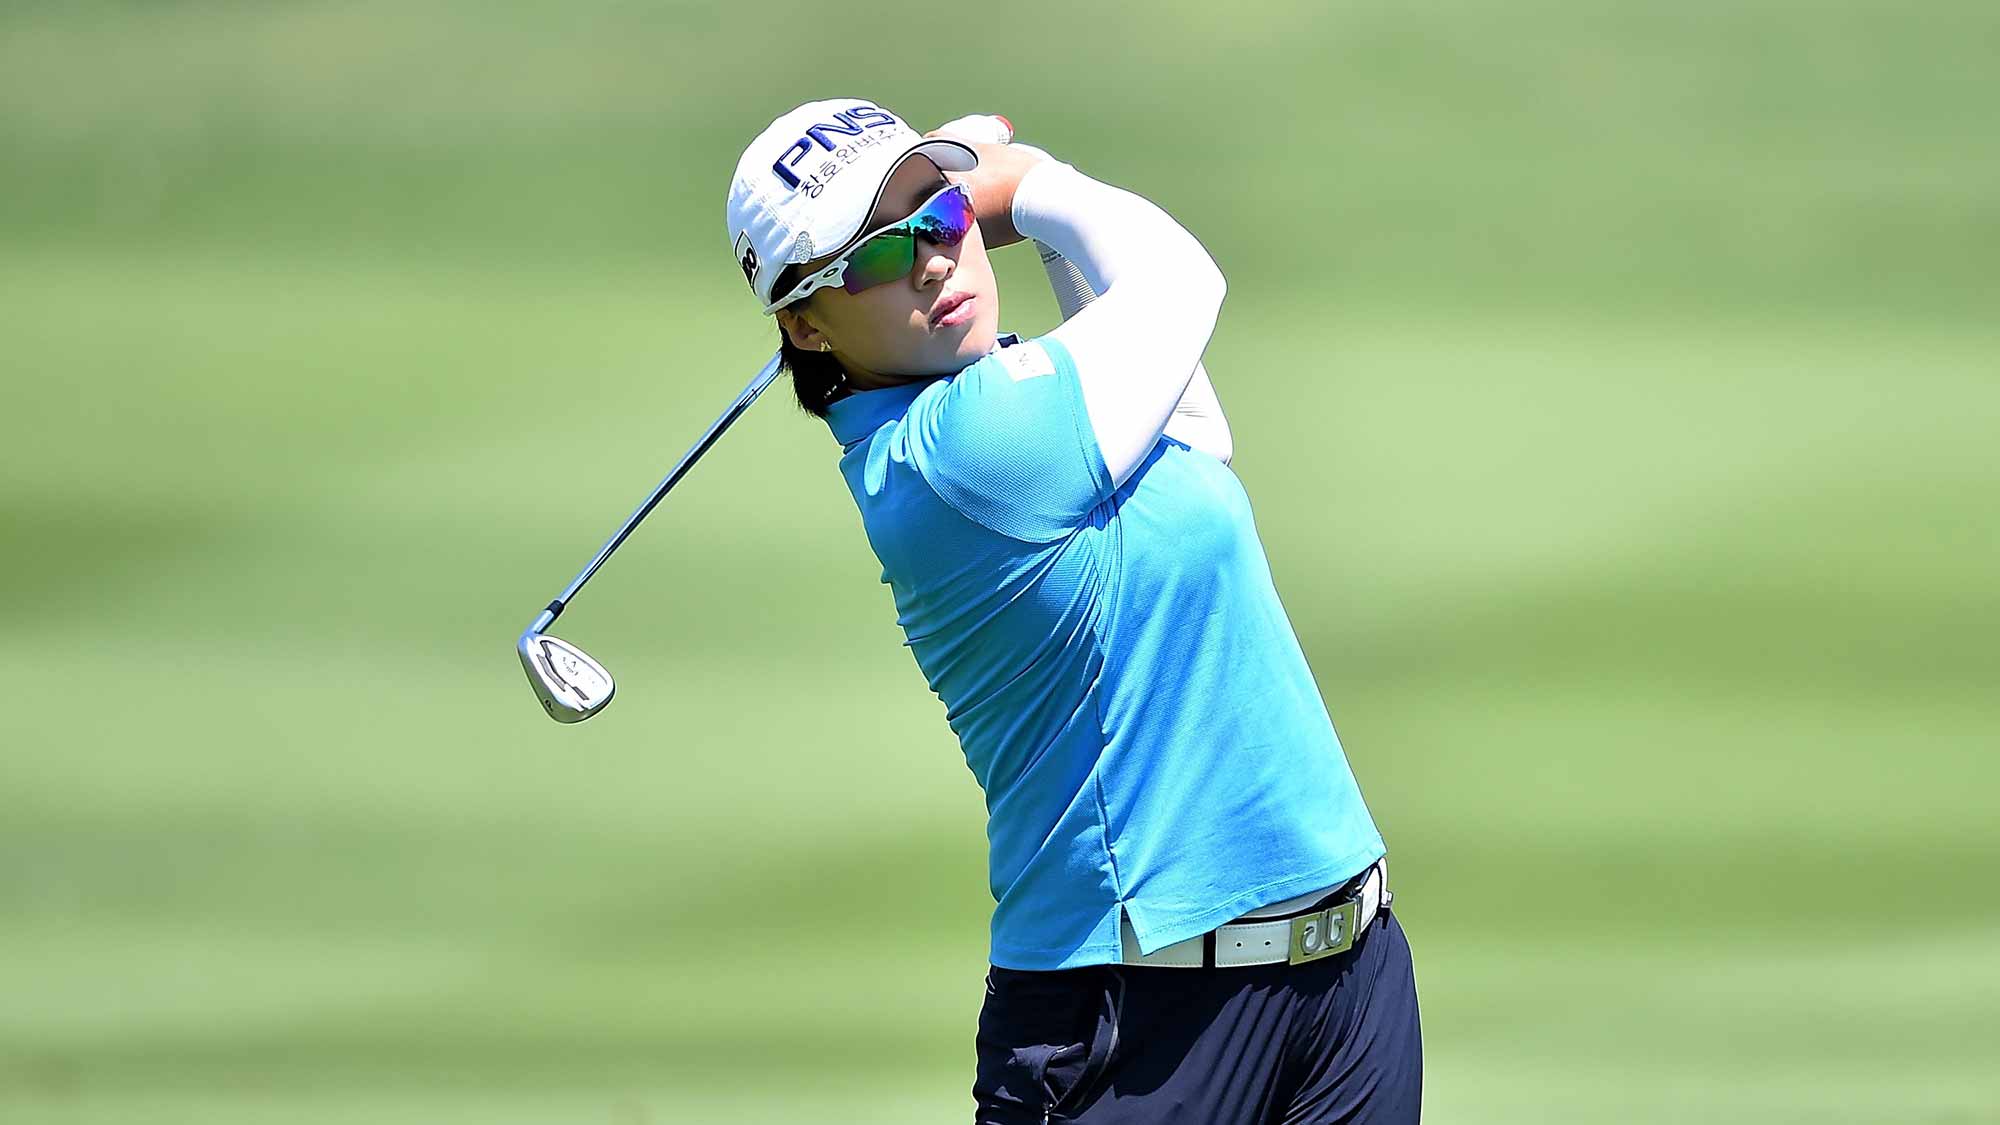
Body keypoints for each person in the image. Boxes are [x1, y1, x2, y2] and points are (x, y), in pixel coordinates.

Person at [724, 98, 1422, 1124]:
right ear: (802, 321)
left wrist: (1033, 222)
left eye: (938, 219)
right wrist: (1028, 188)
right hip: (1136, 1029)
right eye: (874, 257)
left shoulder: (1013, 399)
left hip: (1344, 976)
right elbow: (1182, 280)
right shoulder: (960, 451)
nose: (929, 262)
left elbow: (1191, 432)